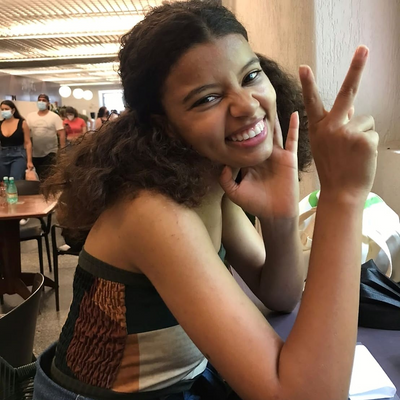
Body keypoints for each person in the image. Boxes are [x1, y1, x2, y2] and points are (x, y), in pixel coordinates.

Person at [36, 1, 379, 399]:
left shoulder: (208, 182)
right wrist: (342, 196)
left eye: (251, 76)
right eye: (206, 99)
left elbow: (282, 295)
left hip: (185, 381)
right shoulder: (153, 212)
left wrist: (280, 216)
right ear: (164, 124)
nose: (247, 105)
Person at [26, 94, 65, 180]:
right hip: (35, 152)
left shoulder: (54, 117)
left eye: (44, 100)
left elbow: (61, 133)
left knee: (48, 175)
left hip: (50, 151)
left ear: (48, 103)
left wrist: (62, 150)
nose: (41, 102)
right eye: (39, 100)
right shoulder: (30, 116)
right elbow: (26, 133)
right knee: (38, 176)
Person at [0, 100, 33, 180]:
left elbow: (28, 143)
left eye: (6, 109)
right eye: (2, 109)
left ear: (13, 110)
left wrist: (29, 161)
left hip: (18, 155)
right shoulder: (0, 124)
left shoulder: (22, 123)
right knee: (4, 180)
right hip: (3, 155)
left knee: (15, 179)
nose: (4, 111)